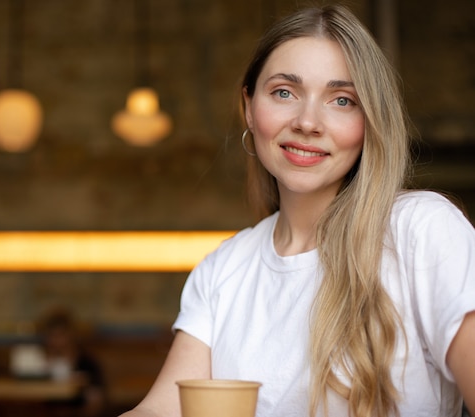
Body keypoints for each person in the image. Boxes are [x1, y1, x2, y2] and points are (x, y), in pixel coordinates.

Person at [120, 4, 475, 417]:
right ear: (249, 107)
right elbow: (161, 410)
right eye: (284, 92)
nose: (308, 122)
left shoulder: (423, 230)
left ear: (371, 120)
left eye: (342, 100)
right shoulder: (224, 268)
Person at [36, 307, 106, 417]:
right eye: (51, 336)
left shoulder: (87, 363)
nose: (56, 341)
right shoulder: (39, 362)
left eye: (60, 335)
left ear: (71, 334)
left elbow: (96, 401)